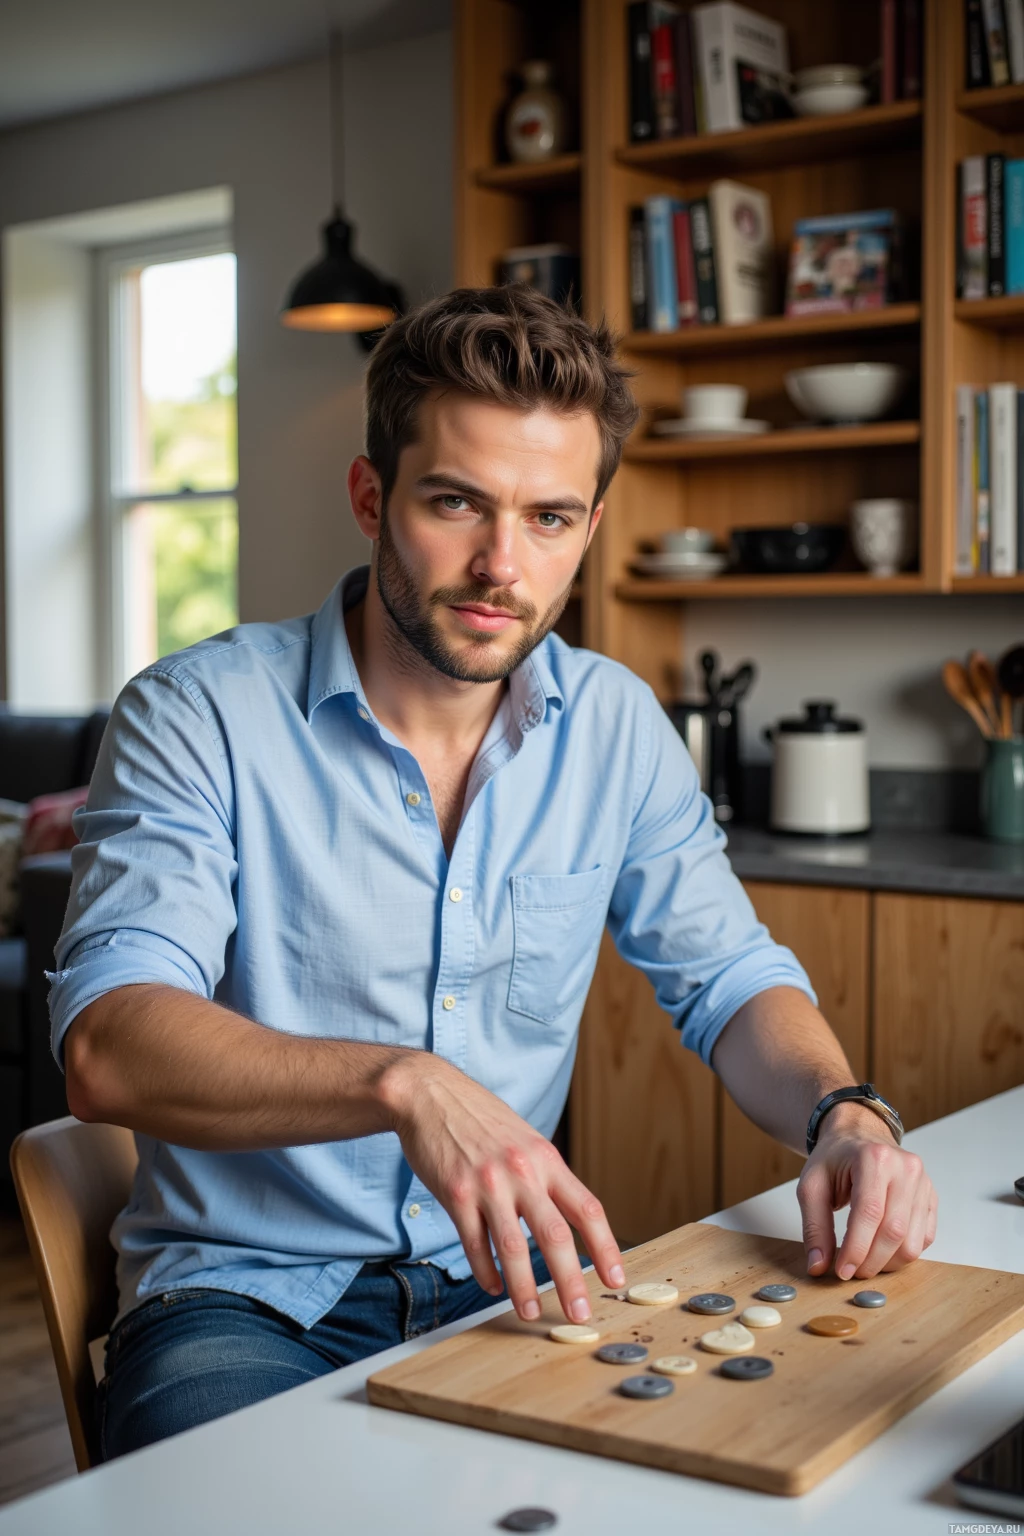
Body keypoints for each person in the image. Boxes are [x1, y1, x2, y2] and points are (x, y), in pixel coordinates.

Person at [52, 287, 936, 1459]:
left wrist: (843, 1118)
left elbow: (726, 978)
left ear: (592, 524)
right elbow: (108, 1044)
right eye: (456, 502)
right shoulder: (196, 713)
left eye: (550, 519)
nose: (499, 566)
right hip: (243, 1304)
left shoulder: (615, 726)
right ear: (372, 497)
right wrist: (406, 1084)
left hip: (517, 1292)